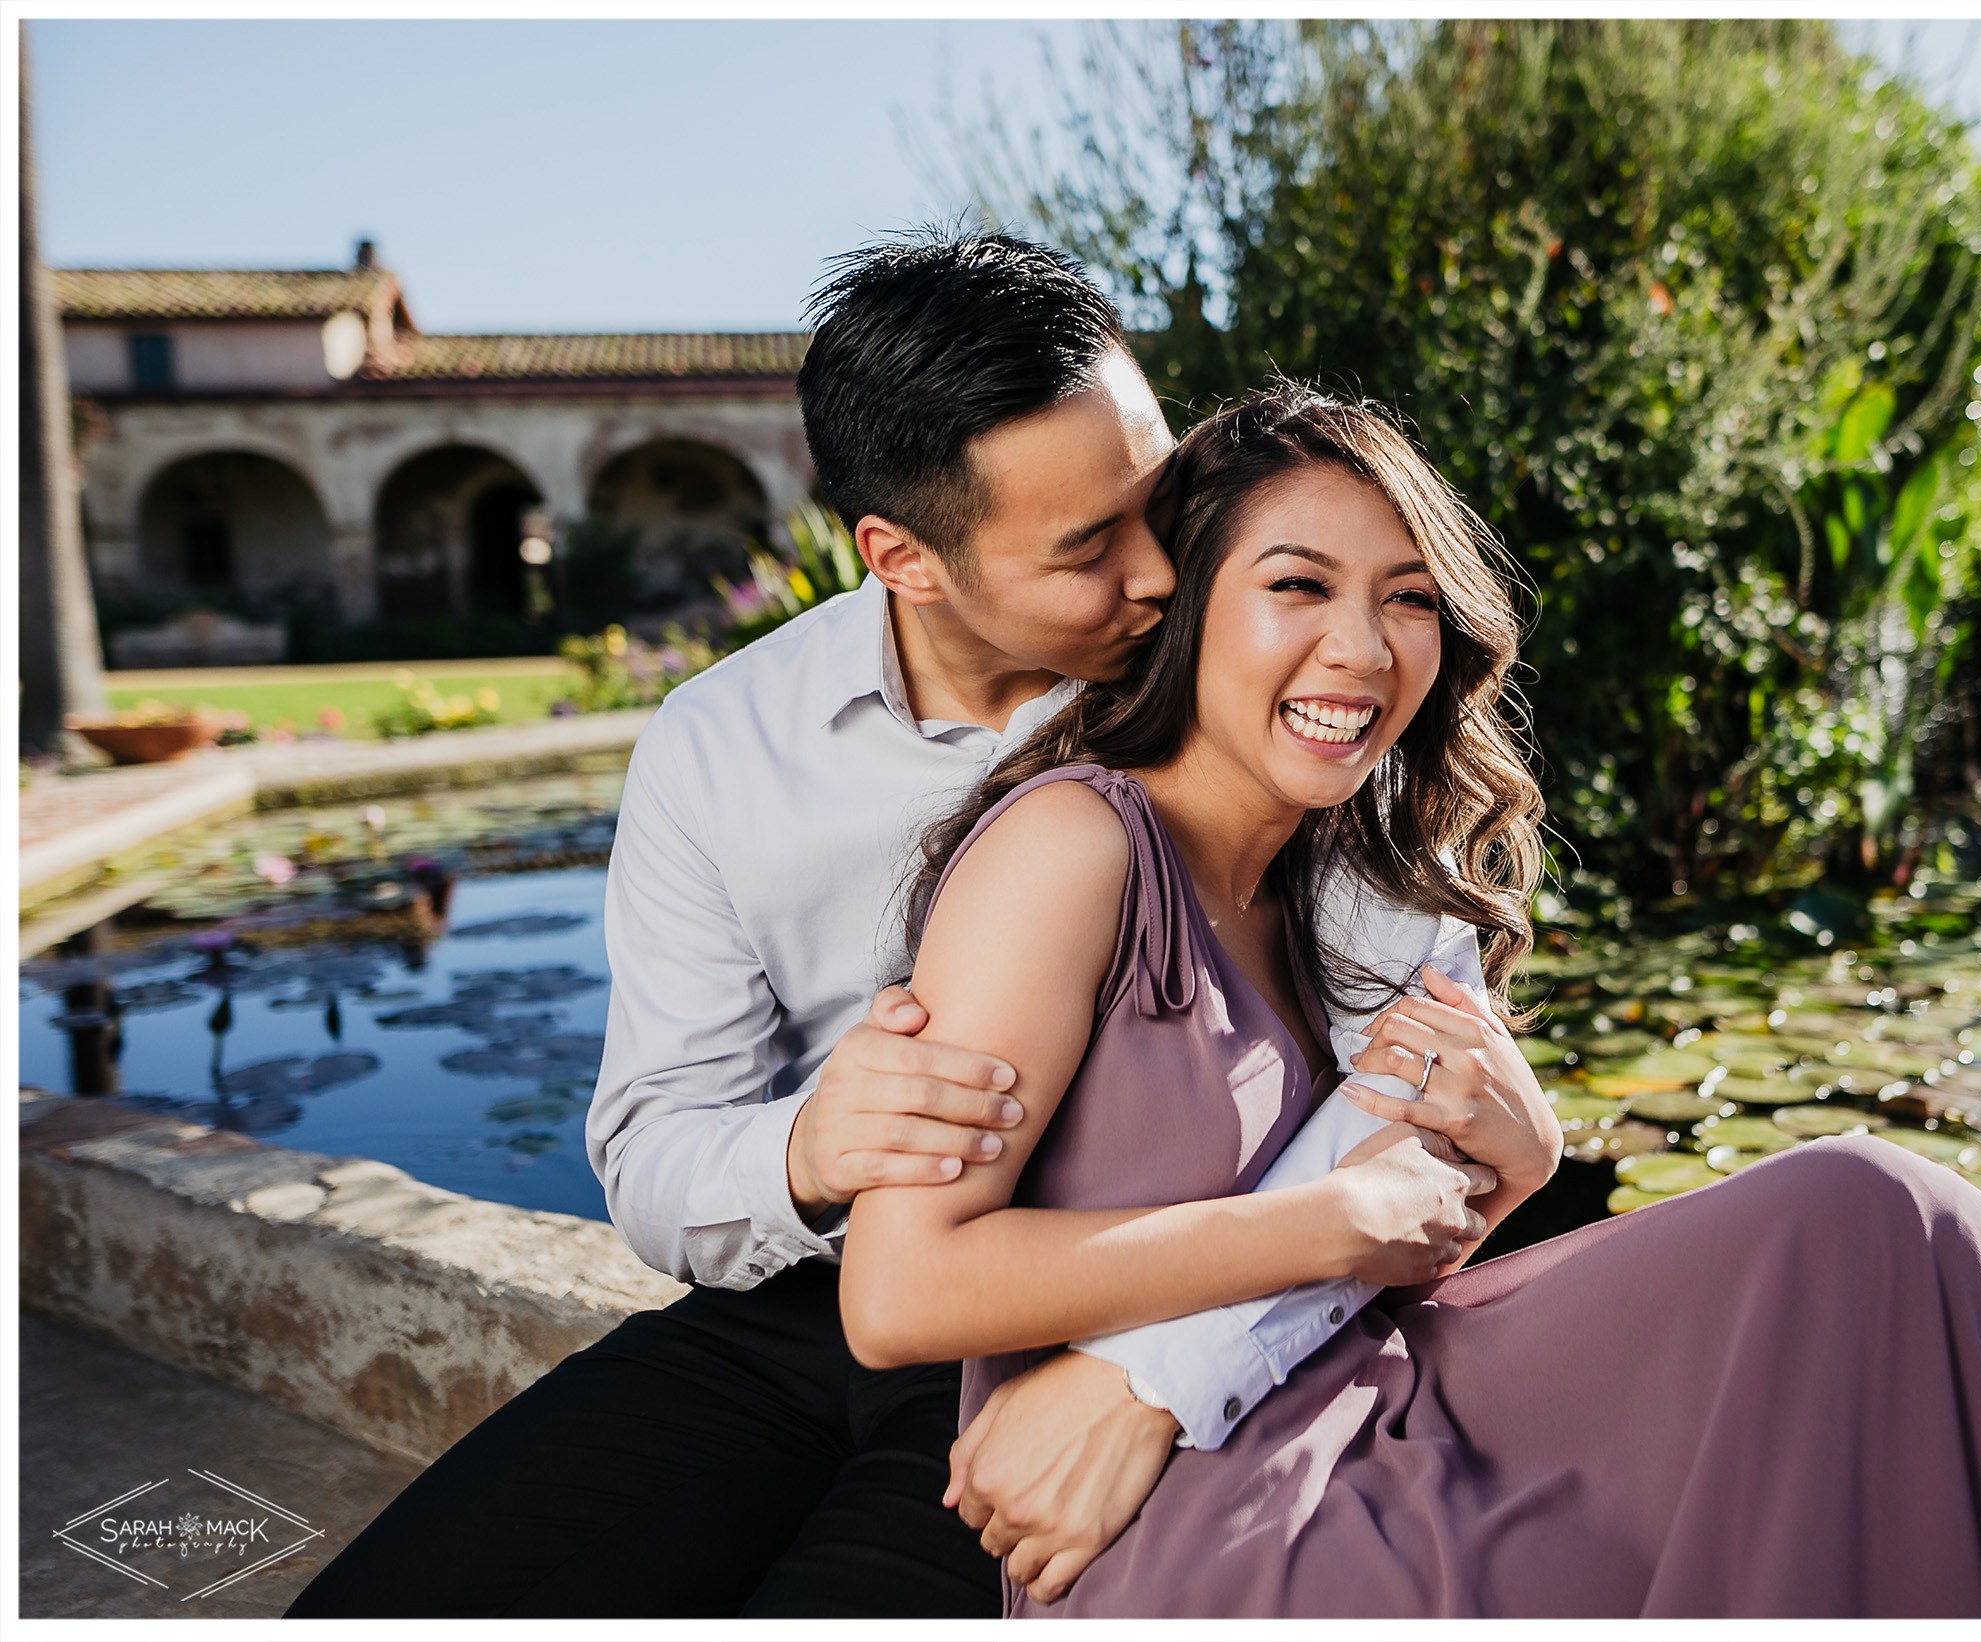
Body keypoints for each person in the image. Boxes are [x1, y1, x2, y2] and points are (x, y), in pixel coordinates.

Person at [843, 382, 1981, 1619]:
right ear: (1186, 601)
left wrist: (1482, 1166)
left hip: (1340, 1391)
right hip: (1196, 1522)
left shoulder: (1324, 884)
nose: (1363, 646)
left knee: (1865, 1215)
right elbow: (897, 1298)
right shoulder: (1072, 845)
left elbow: (1406, 1229)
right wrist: (1314, 1240)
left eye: (1406, 595)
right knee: (1835, 1312)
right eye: (1298, 586)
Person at [284, 232, 1537, 1618]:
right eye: (1087, 548)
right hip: (793, 1315)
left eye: (1158, 497)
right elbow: (647, 1148)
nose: (1163, 570)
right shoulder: (724, 744)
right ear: (905, 556)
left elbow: (1397, 1094)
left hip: (1102, 1303)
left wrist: (1152, 1376)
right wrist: (809, 1146)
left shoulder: (1252, 703)